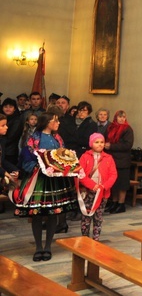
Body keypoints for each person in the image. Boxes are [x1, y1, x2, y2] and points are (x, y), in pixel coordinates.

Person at [12, 107, 78, 261]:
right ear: (48, 122)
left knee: (53, 213)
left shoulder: (58, 139)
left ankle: (48, 246)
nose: (58, 123)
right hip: (38, 180)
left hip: (55, 180)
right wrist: (39, 167)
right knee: (36, 213)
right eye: (56, 120)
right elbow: (26, 157)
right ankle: (38, 247)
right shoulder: (34, 138)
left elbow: (62, 157)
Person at [77, 132, 117, 240]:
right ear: (91, 144)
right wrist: (92, 185)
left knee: (98, 216)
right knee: (86, 215)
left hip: (102, 192)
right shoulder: (85, 157)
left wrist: (104, 186)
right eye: (96, 142)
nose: (100, 144)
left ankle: (96, 238)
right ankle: (85, 237)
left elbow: (113, 175)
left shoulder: (108, 158)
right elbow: (80, 174)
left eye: (102, 142)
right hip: (88, 191)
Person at [104, 110, 134, 214]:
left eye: (123, 117)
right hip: (112, 160)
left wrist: (111, 146)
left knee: (122, 184)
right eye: (119, 117)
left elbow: (127, 145)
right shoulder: (111, 128)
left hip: (122, 161)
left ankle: (121, 204)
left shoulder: (128, 129)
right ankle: (114, 202)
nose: (121, 119)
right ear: (115, 118)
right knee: (114, 184)